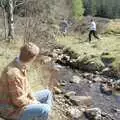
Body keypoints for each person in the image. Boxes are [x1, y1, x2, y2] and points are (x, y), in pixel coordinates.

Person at [0, 42, 53, 120]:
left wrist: (32, 98)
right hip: (10, 109)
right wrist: (34, 103)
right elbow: (18, 101)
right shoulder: (13, 74)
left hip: (21, 99)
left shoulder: (19, 63)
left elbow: (27, 87)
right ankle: (42, 114)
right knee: (45, 109)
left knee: (47, 93)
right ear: (32, 58)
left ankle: (41, 116)